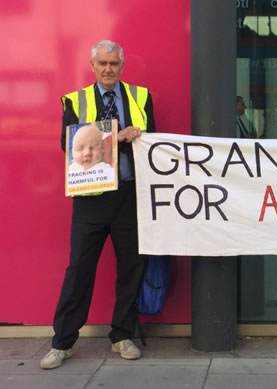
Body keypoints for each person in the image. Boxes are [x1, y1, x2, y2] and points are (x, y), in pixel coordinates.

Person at [41, 40, 155, 370]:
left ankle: (122, 335)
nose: (108, 69)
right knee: (79, 270)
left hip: (129, 195)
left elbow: (153, 142)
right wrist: (113, 137)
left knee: (131, 268)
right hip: (90, 198)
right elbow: (69, 143)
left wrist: (137, 136)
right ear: (93, 65)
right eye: (102, 63)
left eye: (114, 64)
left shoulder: (140, 96)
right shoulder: (75, 99)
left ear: (122, 66)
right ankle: (62, 342)